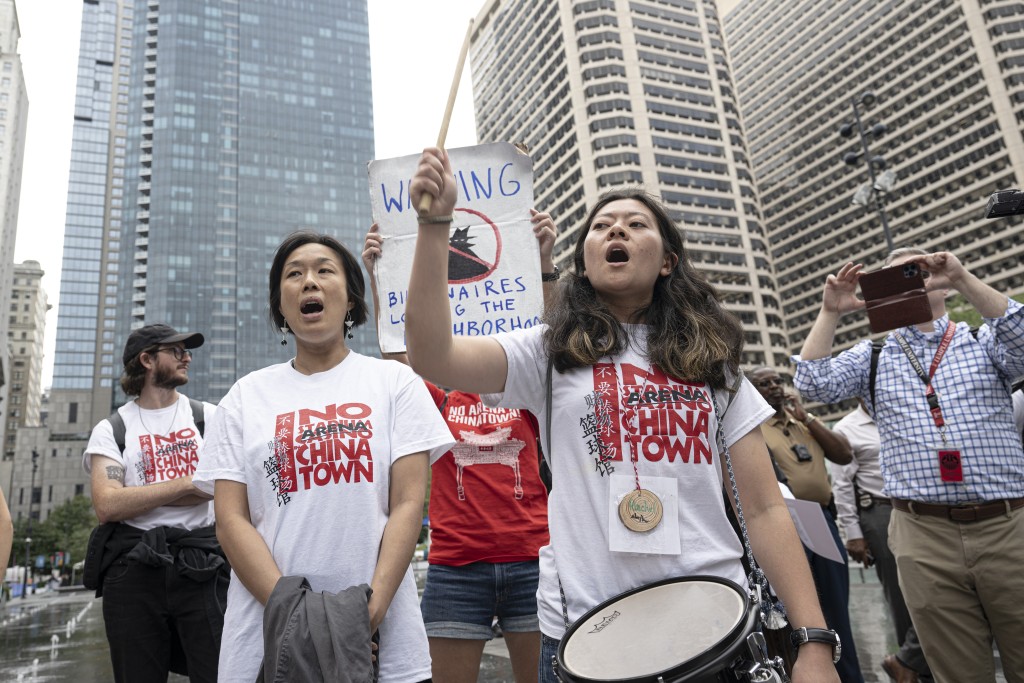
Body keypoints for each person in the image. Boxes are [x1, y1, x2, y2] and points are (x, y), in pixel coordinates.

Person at [403, 147, 842, 683]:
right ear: (584, 261)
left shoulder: (711, 361)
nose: (617, 232)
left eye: (636, 224)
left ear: (667, 261)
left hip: (714, 628)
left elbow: (764, 509)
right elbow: (432, 355)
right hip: (584, 634)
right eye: (602, 226)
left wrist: (814, 641)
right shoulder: (545, 351)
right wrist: (434, 225)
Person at [192, 231, 454, 682]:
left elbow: (408, 503)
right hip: (265, 645)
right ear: (280, 305)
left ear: (350, 298)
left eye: (323, 270)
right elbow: (230, 520)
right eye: (294, 275)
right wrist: (300, 621)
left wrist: (368, 613)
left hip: (386, 643)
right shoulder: (243, 397)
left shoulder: (394, 383)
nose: (309, 282)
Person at [794, 248, 1024, 683]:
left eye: (920, 269)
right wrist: (831, 311)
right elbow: (812, 381)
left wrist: (961, 277)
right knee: (956, 669)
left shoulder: (982, 340)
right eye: (896, 274)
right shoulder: (874, 355)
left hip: (1008, 523)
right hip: (922, 531)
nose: (913, 278)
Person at [363, 215, 556, 683]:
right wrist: (380, 276)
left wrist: (544, 263)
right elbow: (397, 352)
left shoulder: (522, 386)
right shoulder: (438, 395)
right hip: (455, 567)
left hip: (533, 558)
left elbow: (554, 344)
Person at [83, 324, 224, 682]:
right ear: (147, 360)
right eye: (176, 351)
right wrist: (188, 484)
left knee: (222, 673)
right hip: (134, 573)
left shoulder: (209, 417)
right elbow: (109, 506)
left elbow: (222, 487)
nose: (187, 358)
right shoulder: (113, 428)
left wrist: (141, 496)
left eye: (187, 351)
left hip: (204, 567)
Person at [749, 368, 863, 683]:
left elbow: (843, 454)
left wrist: (806, 417)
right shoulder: (753, 427)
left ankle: (849, 675)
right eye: (764, 383)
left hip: (818, 519)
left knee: (836, 607)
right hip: (782, 521)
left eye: (777, 382)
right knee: (798, 610)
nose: (774, 387)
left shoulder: (802, 423)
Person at [832, 402, 932, 683]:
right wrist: (854, 533)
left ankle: (907, 661)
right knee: (901, 596)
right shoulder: (845, 428)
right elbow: (842, 485)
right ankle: (915, 667)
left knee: (937, 587)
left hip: (922, 508)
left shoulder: (908, 412)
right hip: (880, 512)